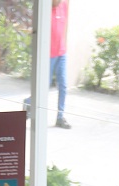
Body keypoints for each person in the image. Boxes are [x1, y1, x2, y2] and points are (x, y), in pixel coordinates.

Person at [50, 0, 70, 128]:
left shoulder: (64, 5)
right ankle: (29, 104)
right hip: (48, 54)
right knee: (43, 86)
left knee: (63, 86)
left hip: (61, 52)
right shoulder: (44, 10)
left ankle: (60, 117)